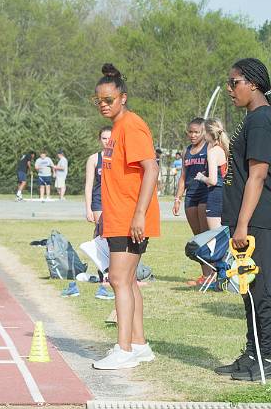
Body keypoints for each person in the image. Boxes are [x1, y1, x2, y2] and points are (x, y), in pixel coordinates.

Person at [91, 63, 160, 370]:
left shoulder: (131, 125)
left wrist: (140, 215)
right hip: (118, 215)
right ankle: (139, 344)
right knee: (127, 280)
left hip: (131, 217)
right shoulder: (117, 129)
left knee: (118, 279)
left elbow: (152, 169)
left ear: (123, 97)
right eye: (99, 101)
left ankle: (124, 349)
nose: (104, 105)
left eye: (109, 99)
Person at [214, 58, 271, 381]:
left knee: (262, 291)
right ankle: (253, 352)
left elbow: (258, 175)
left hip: (259, 221)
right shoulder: (251, 119)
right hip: (247, 220)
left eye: (233, 82)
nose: (230, 89)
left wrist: (243, 224)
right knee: (247, 288)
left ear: (253, 83)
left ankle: (268, 358)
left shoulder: (262, 120)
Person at [172, 117, 210, 285]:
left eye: (197, 132)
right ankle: (205, 275)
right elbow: (183, 177)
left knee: (207, 235)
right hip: (191, 195)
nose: (193, 135)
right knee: (197, 238)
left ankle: (216, 274)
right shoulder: (187, 151)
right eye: (190, 132)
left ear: (204, 132)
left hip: (206, 194)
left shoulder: (210, 148)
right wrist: (177, 198)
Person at [83, 126, 115, 300]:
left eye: (110, 138)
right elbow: (88, 185)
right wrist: (88, 208)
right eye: (104, 138)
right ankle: (104, 272)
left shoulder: (119, 157)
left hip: (116, 202)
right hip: (99, 202)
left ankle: (115, 272)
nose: (107, 141)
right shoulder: (94, 159)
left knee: (115, 238)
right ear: (99, 140)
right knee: (101, 235)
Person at [193, 118, 229, 233]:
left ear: (208, 132)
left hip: (215, 195)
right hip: (225, 194)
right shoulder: (223, 148)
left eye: (203, 131)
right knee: (223, 235)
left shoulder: (213, 152)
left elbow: (213, 181)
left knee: (216, 236)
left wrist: (201, 177)